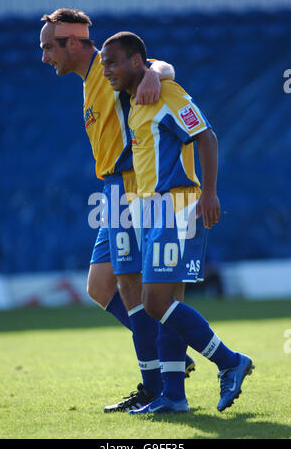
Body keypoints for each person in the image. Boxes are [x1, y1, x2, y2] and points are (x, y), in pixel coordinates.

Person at [40, 8, 195, 413]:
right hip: (111, 188)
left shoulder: (107, 67)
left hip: (129, 185)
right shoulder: (88, 81)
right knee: (99, 287)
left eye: (47, 47)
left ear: (72, 43)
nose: (44, 57)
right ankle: (167, 358)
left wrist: (152, 74)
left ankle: (159, 379)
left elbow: (162, 64)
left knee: (131, 288)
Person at [101, 31, 255, 413]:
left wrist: (209, 193)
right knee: (165, 303)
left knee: (156, 302)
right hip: (150, 211)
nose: (106, 71)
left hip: (176, 206)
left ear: (138, 61)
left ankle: (230, 361)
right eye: (103, 64)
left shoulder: (166, 93)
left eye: (113, 62)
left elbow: (206, 136)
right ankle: (174, 396)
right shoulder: (136, 100)